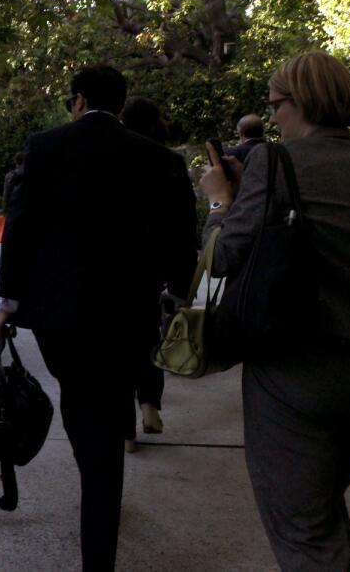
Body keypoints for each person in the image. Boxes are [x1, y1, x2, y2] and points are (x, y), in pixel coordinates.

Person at [199, 51, 350, 570]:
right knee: (321, 513)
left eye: (276, 106)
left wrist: (221, 201)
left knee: (304, 534)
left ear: (302, 103)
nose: (273, 119)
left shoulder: (273, 160)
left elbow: (222, 257)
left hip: (296, 368)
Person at [0, 66, 195, 571]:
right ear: (120, 103)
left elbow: (20, 226)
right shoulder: (156, 157)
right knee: (100, 415)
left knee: (85, 408)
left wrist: (9, 300)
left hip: (58, 317)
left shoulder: (45, 147)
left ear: (79, 100)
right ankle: (100, 487)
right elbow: (180, 233)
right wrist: (177, 289)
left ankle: (98, 505)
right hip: (127, 315)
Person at [118, 97, 194, 452]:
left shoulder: (110, 156)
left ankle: (125, 430)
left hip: (112, 263)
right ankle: (149, 403)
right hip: (151, 265)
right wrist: (181, 281)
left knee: (115, 345)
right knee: (148, 335)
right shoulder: (170, 163)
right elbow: (183, 225)